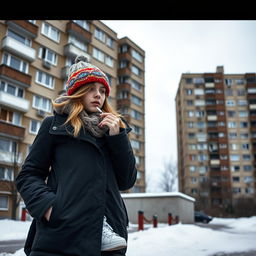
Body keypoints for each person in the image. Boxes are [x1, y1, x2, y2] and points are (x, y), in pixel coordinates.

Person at [16, 55, 137, 256]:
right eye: (90, 88)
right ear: (77, 92)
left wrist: (117, 137)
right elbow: (28, 175)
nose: (98, 95)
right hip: (61, 237)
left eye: (102, 90)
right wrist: (50, 208)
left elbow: (127, 181)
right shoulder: (55, 125)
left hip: (108, 243)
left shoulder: (112, 132)